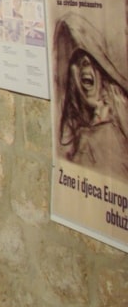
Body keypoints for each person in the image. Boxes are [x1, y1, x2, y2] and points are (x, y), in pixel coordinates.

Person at [54, 13, 128, 182]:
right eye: (76, 58)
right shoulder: (79, 138)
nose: (85, 63)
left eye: (91, 58)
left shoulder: (115, 125)